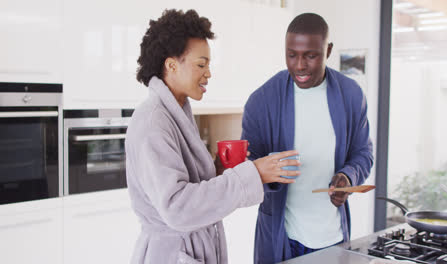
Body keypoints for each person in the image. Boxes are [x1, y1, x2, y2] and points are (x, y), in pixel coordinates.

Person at [125, 9, 300, 264]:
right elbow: (177, 207)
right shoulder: (153, 121)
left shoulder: (176, 113)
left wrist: (217, 171)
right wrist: (253, 174)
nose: (208, 73)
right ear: (171, 65)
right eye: (201, 64)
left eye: (208, 65)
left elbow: (187, 188)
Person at [241, 13, 374, 263]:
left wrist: (348, 177)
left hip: (332, 238)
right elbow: (248, 169)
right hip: (281, 238)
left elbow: (363, 153)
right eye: (292, 54)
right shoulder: (261, 101)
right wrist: (266, 171)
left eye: (310, 56)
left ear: (328, 50)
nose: (300, 65)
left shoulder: (351, 95)